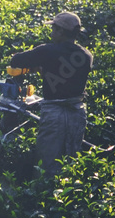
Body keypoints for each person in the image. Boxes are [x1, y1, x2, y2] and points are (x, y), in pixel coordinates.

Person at [8, 11, 93, 172]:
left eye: (54, 29)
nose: (52, 33)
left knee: (46, 163)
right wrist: (45, 70)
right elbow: (67, 77)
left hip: (54, 113)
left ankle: (42, 193)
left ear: (61, 31)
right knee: (70, 160)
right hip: (77, 112)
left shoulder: (47, 51)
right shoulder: (86, 55)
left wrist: (41, 66)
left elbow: (16, 60)